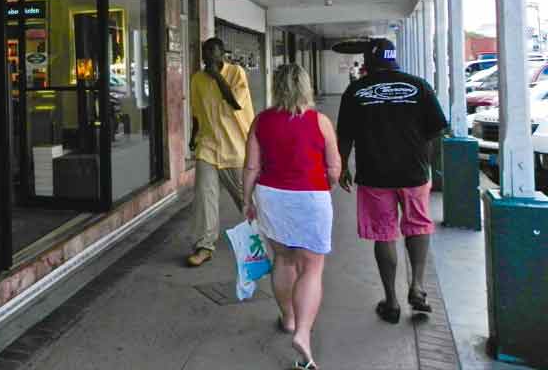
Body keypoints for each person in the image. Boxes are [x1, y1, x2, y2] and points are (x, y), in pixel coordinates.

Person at [337, 38, 447, 324]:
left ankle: (392, 301)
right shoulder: (419, 85)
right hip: (414, 172)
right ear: (393, 58)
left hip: (375, 174)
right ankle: (418, 286)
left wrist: (342, 167)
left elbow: (345, 135)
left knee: (384, 234)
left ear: (369, 61)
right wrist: (428, 167)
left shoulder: (356, 90)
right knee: (419, 224)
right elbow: (436, 131)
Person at [243, 64, 340, 370]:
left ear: (277, 87)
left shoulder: (261, 121)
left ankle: (288, 318)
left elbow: (251, 167)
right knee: (312, 267)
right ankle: (302, 333)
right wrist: (326, 187)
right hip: (311, 196)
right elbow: (334, 167)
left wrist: (247, 199)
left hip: (272, 197)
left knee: (283, 260)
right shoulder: (320, 122)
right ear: (306, 87)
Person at [187, 37, 255, 266]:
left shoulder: (236, 73)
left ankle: (262, 236)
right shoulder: (196, 79)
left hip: (234, 147)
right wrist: (192, 137)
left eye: (212, 52)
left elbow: (236, 102)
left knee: (245, 198)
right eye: (204, 52)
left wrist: (216, 76)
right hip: (207, 146)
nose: (207, 57)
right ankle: (204, 245)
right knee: (205, 197)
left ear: (222, 54)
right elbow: (197, 112)